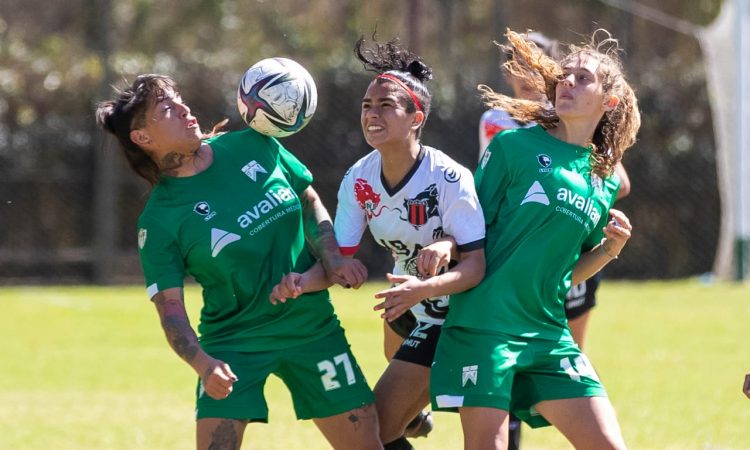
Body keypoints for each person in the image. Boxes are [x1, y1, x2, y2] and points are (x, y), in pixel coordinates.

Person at [95, 74, 382, 450]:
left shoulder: (253, 145)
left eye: (180, 99)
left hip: (312, 328)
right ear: (142, 137)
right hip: (232, 344)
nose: (185, 109)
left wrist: (332, 256)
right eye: (167, 109)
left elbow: (307, 197)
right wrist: (202, 363)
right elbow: (170, 308)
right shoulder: (159, 220)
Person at [270, 37, 486, 450]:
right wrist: (300, 281)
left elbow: (476, 266)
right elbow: (340, 261)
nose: (372, 113)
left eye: (386, 105)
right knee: (386, 427)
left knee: (374, 433)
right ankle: (415, 417)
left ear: (415, 118)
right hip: (404, 308)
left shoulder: (448, 177)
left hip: (454, 315)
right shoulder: (360, 179)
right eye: (367, 105)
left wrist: (427, 280)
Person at [431, 28, 641, 450]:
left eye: (584, 79)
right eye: (566, 76)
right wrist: (446, 248)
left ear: (609, 101)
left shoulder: (601, 180)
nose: (568, 83)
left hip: (548, 332)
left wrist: (609, 249)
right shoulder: (511, 145)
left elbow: (566, 273)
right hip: (486, 326)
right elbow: (470, 230)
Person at [479, 31, 632, 352]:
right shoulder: (500, 126)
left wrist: (568, 202)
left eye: (532, 65)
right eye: (515, 65)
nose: (524, 73)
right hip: (503, 281)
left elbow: (616, 181)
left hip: (561, 249)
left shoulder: (579, 120)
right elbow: (485, 199)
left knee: (571, 350)